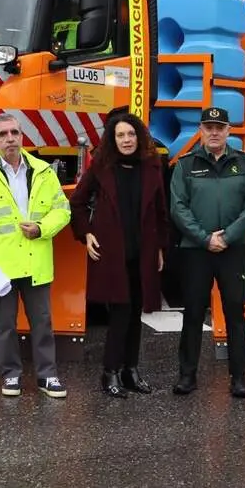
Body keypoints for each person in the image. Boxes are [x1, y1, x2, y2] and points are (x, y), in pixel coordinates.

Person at [0, 113, 71, 399]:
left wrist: (42, 228)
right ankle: (11, 375)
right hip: (0, 266)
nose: (10, 139)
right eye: (3, 134)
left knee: (42, 323)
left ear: (22, 136)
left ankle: (47, 376)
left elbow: (62, 210)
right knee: (5, 326)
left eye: (15, 133)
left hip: (35, 260)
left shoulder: (43, 172)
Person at [69, 112, 170, 398]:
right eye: (120, 135)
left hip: (143, 251)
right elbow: (77, 202)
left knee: (136, 313)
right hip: (113, 255)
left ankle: (130, 370)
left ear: (139, 137)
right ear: (113, 140)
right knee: (121, 313)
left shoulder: (151, 167)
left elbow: (161, 211)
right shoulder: (102, 167)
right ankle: (110, 371)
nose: (127, 140)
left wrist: (160, 248)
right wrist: (86, 233)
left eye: (131, 134)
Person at [169, 106, 245, 398]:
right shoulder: (185, 165)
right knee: (193, 313)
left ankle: (239, 378)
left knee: (235, 312)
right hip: (196, 250)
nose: (213, 132)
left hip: (234, 250)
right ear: (200, 130)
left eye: (219, 128)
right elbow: (178, 207)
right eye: (208, 127)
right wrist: (204, 238)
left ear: (228, 131)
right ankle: (187, 376)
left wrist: (228, 237)